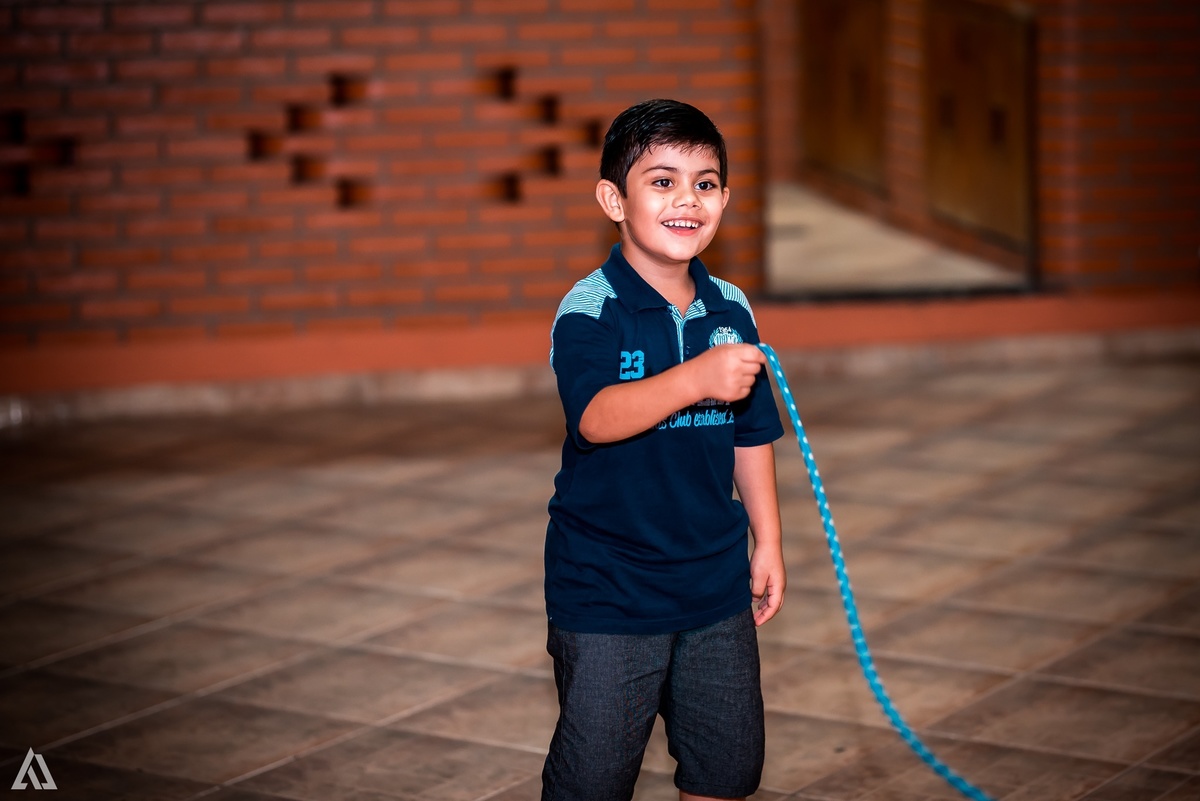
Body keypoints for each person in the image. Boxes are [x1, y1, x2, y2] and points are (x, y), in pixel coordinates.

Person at [542, 98, 786, 801]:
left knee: (729, 764)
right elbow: (593, 417)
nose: (688, 199)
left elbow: (752, 433)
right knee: (593, 775)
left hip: (713, 582)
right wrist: (692, 380)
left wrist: (766, 540)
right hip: (608, 587)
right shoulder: (590, 308)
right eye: (662, 181)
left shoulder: (731, 308)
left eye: (705, 183)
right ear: (613, 200)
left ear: (725, 199)